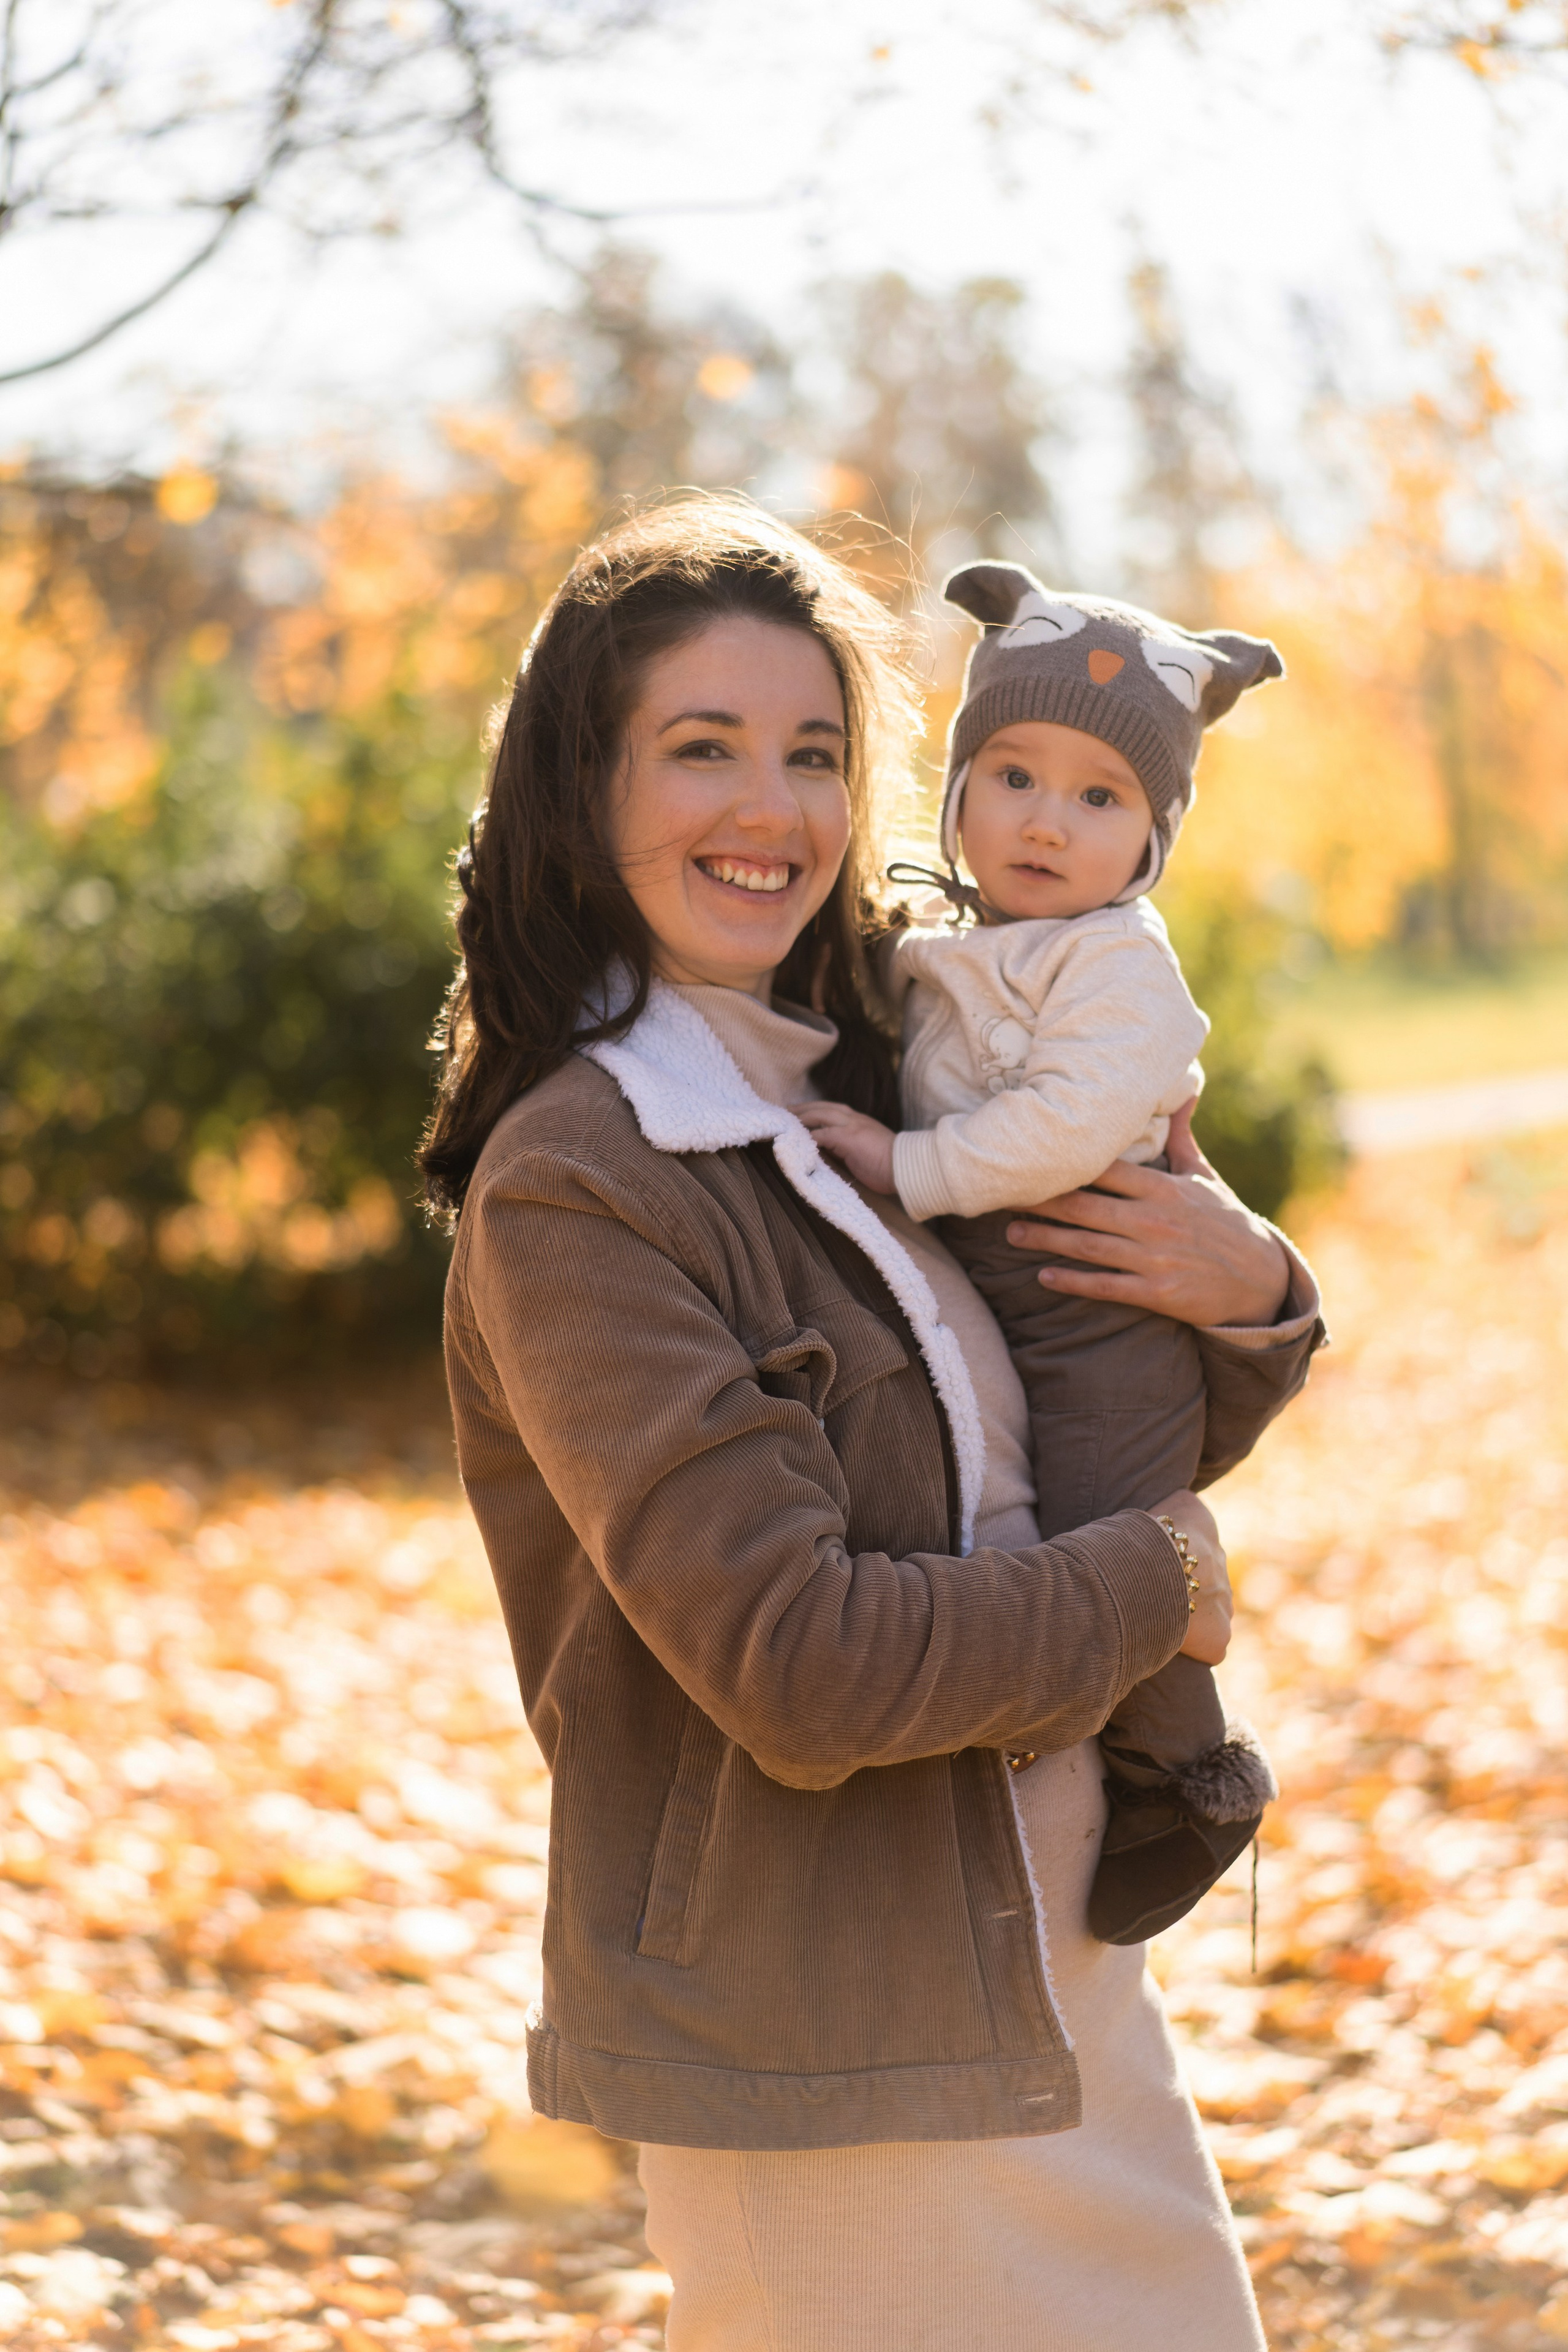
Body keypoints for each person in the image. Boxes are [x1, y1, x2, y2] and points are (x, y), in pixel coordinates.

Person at [420, 494, 1325, 2352]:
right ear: (582, 787)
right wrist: (1156, 1589)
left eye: (816, 753)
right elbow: (803, 1666)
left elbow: (1063, 1438)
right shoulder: (585, 1179)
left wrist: (1249, 1287)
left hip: (1039, 1946)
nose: (773, 808)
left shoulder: (879, 1074)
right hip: (827, 2026)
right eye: (703, 748)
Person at [796, 562, 1285, 1948]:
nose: (1045, 821)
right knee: (1048, 1527)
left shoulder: (1119, 966)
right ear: (957, 790)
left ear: (1151, 841)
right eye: (1011, 776)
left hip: (1098, 1311)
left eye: (1099, 798)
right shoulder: (957, 942)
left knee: (1108, 1538)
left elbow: (1064, 1126)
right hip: (1017, 1288)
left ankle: (1184, 1782)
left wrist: (907, 1165)